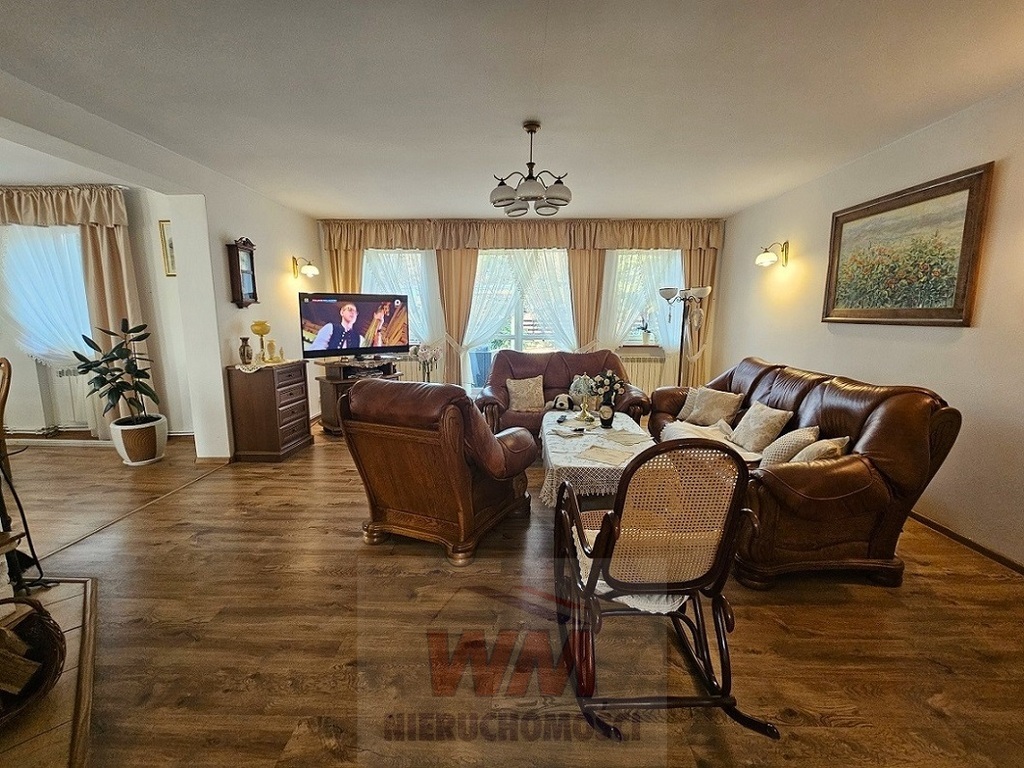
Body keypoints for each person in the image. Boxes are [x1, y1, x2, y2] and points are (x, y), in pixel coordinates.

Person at [309, 302, 385, 351]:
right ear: (342, 312)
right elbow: (317, 348)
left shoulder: (359, 338)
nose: (353, 313)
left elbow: (375, 352)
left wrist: (379, 325)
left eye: (355, 312)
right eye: (349, 309)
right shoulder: (330, 328)